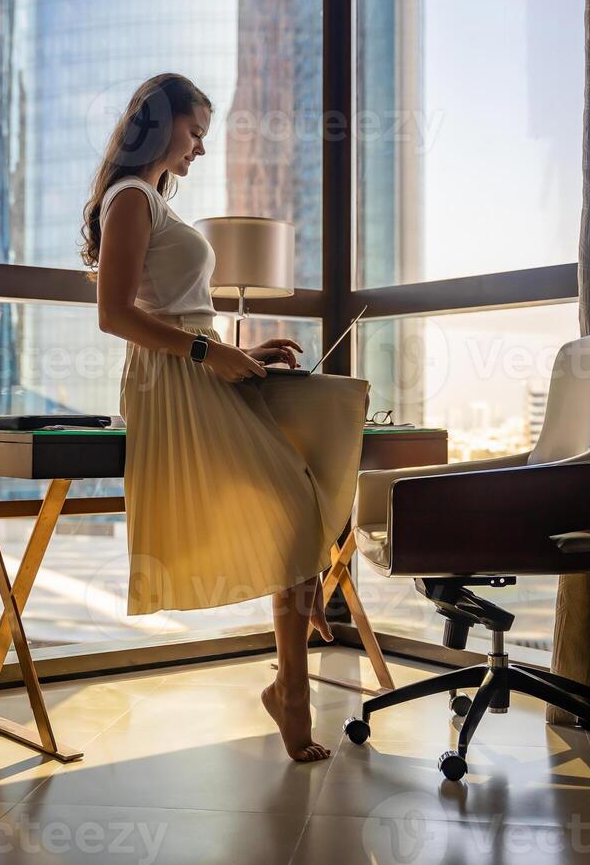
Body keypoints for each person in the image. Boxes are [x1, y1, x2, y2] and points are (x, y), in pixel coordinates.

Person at [80, 73, 370, 762]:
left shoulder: (154, 201)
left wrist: (241, 351)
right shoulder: (129, 199)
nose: (200, 149)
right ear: (161, 124)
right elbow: (116, 314)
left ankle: (289, 689)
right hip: (171, 383)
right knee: (294, 513)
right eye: (195, 132)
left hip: (197, 367)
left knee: (298, 506)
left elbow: (181, 311)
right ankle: (293, 692)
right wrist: (210, 351)